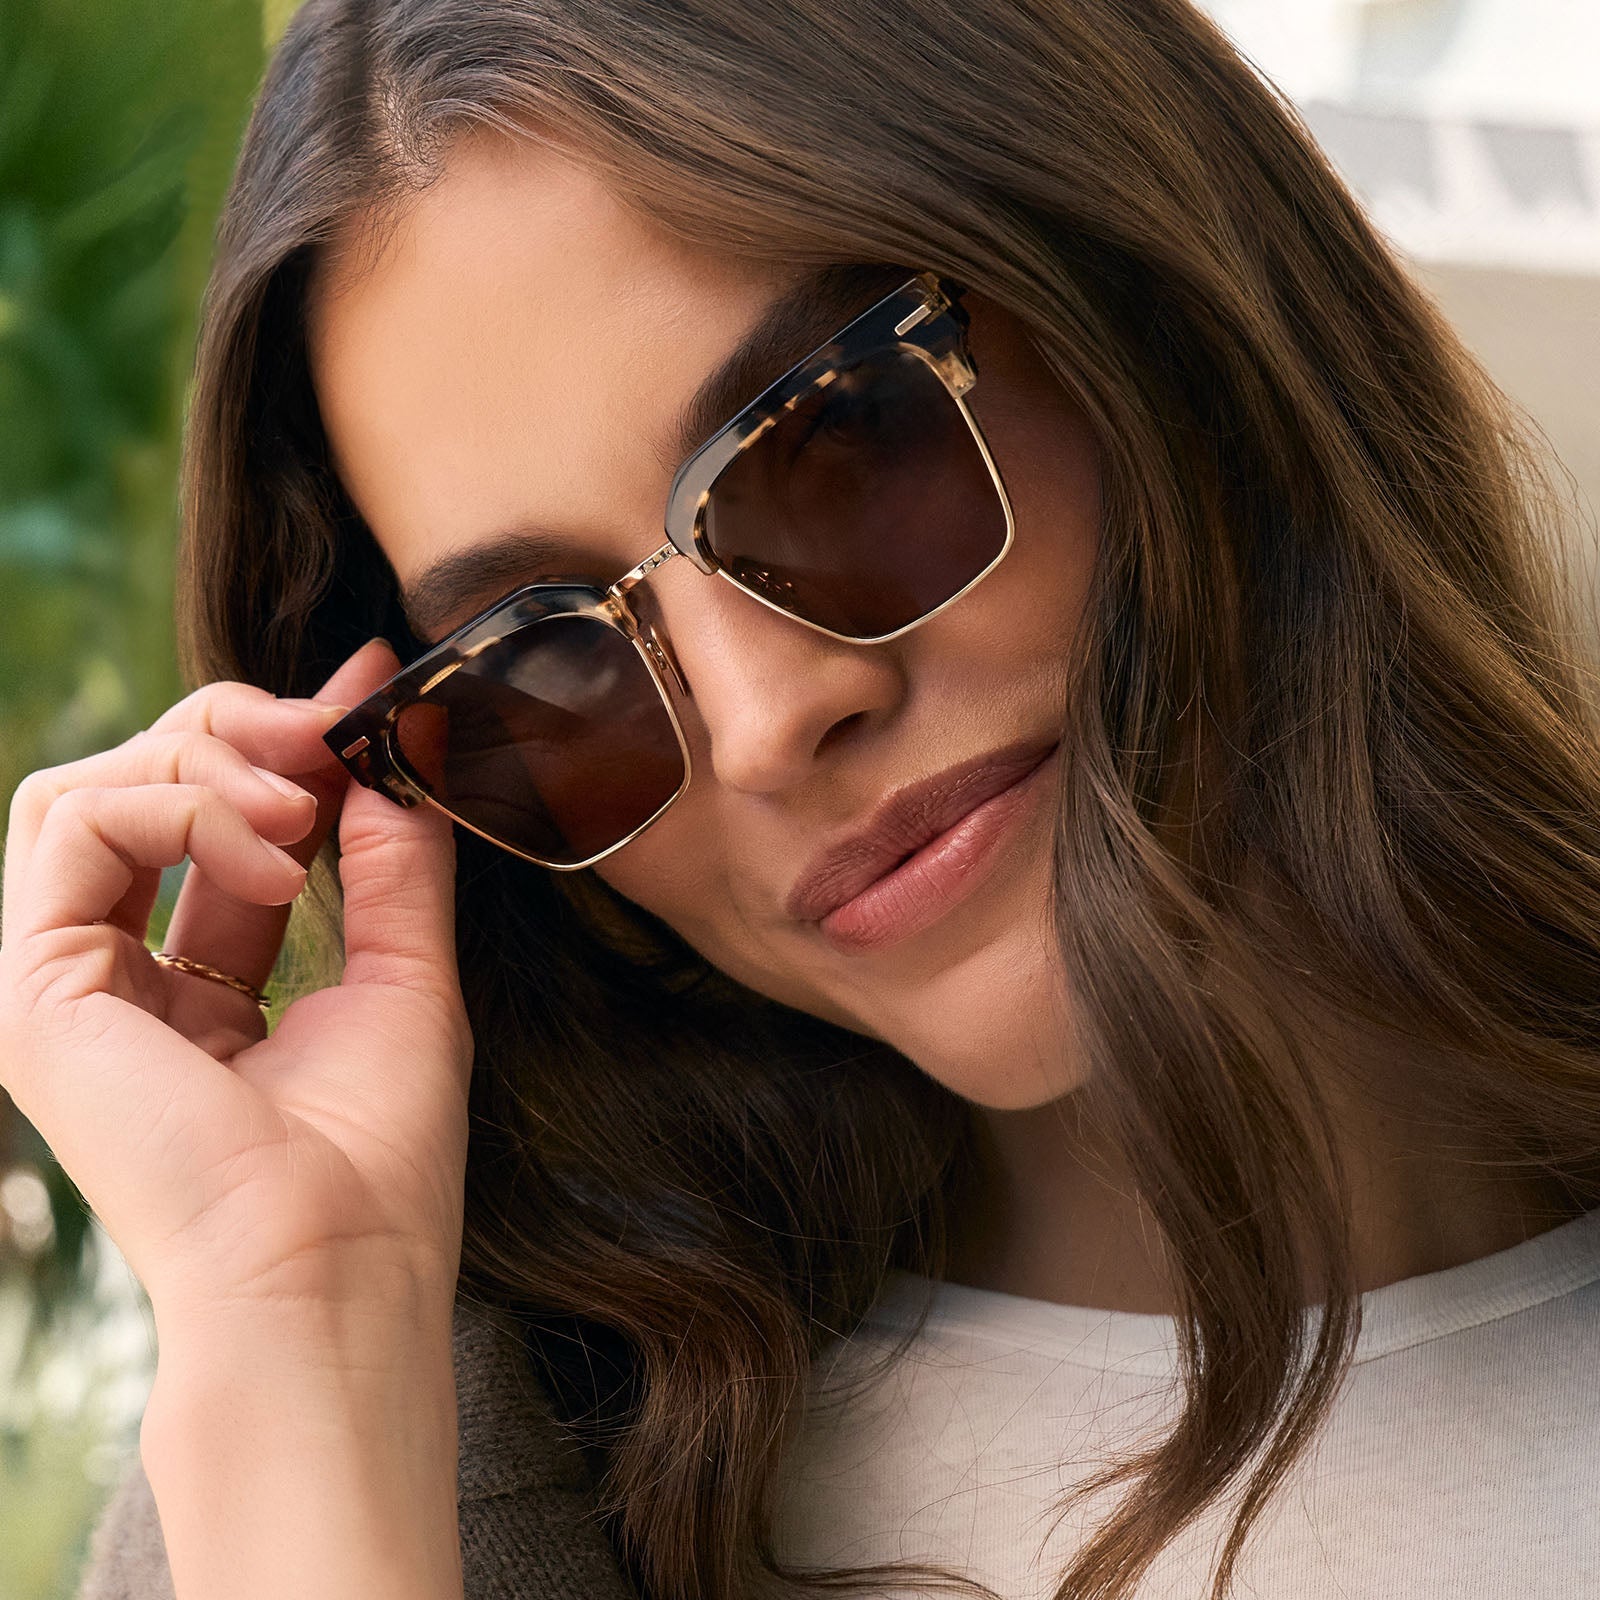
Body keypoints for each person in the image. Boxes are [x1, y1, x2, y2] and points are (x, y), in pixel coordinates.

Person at [3, 0, 1597, 1596]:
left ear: (1152, 297)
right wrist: (306, 1348)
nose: (763, 724)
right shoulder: (357, 1462)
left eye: (841, 442)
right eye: (539, 665)